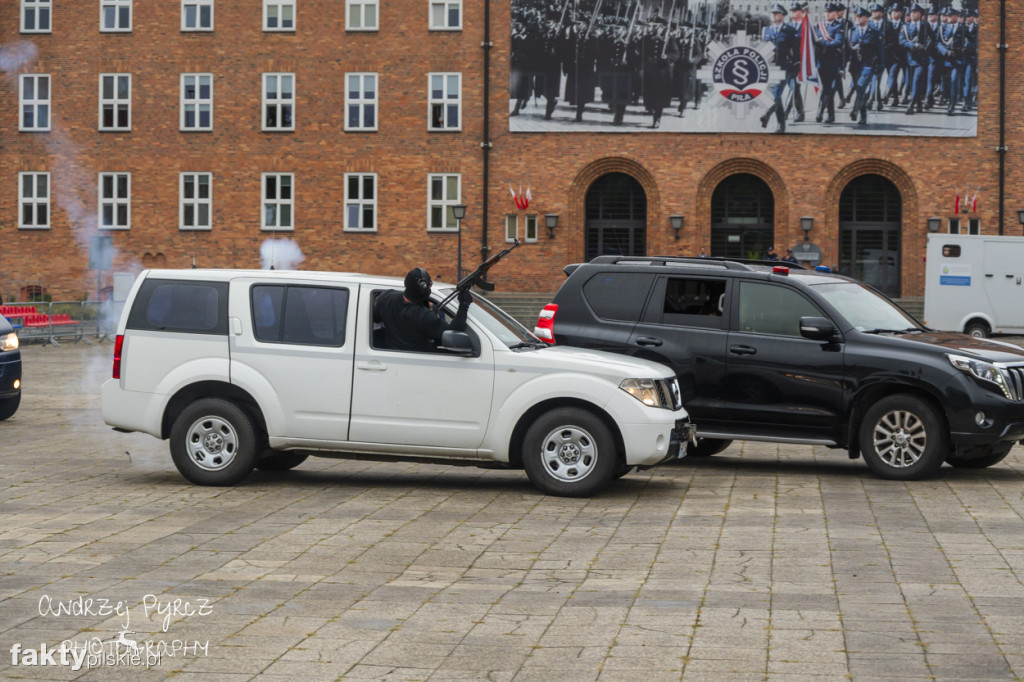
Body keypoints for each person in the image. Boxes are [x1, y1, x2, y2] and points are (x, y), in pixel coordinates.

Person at [373, 268, 473, 352]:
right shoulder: (425, 316)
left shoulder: (386, 297)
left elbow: (375, 318)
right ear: (423, 289)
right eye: (429, 285)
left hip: (390, 355)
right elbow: (453, 333)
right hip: (419, 363)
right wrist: (464, 306)